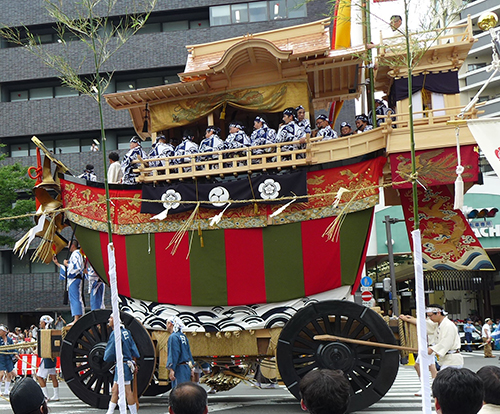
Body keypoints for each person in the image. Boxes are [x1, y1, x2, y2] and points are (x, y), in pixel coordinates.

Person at [104, 315, 140, 414]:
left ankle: (133, 413)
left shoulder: (116, 333)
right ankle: (110, 412)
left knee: (127, 391)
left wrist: (106, 358)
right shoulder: (126, 332)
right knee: (115, 390)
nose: (109, 319)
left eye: (111, 318)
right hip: (125, 364)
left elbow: (110, 352)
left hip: (122, 365)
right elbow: (134, 350)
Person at [53, 240, 85, 325]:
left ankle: (77, 318)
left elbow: (76, 267)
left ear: (72, 246)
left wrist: (67, 264)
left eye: (68, 245)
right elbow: (69, 269)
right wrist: (58, 264)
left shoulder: (76, 254)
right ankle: (76, 317)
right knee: (73, 298)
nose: (67, 247)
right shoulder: (75, 254)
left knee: (75, 298)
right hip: (73, 279)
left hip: (75, 279)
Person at [166, 316, 194, 389]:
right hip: (186, 367)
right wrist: (191, 367)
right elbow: (188, 352)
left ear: (170, 324)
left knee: (179, 391)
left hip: (179, 368)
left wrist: (172, 369)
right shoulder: (183, 336)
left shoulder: (173, 337)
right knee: (186, 390)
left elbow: (174, 354)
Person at [36, 315, 59, 401]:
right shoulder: (52, 331)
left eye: (41, 322)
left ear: (44, 323)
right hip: (52, 356)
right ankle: (56, 395)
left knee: (39, 376)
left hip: (46, 357)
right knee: (53, 376)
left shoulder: (45, 332)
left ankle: (46, 396)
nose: (40, 324)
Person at [0, 325, 18, 396]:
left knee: (9, 374)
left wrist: (15, 353)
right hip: (1, 357)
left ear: (4, 332)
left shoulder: (9, 339)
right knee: (1, 374)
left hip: (8, 357)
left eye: (1, 331)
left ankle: (6, 390)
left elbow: (13, 348)